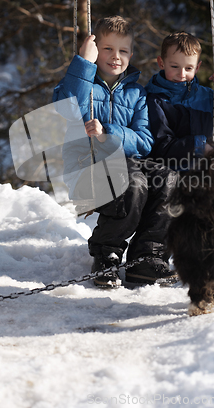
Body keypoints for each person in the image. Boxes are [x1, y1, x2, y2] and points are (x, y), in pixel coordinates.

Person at [52, 16, 177, 288]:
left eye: (122, 50)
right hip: (89, 167)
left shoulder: (136, 93)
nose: (115, 57)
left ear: (131, 54)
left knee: (168, 178)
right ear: (96, 51)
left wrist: (109, 131)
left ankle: (147, 256)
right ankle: (107, 252)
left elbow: (144, 141)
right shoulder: (80, 81)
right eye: (107, 49)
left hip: (127, 162)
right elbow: (65, 109)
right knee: (132, 182)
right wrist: (83, 63)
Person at [145, 32, 214, 168]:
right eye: (174, 66)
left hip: (203, 170)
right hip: (169, 173)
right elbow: (162, 147)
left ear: (197, 67)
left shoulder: (206, 96)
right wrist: (199, 146)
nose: (181, 74)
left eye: (188, 68)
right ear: (161, 63)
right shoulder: (155, 100)